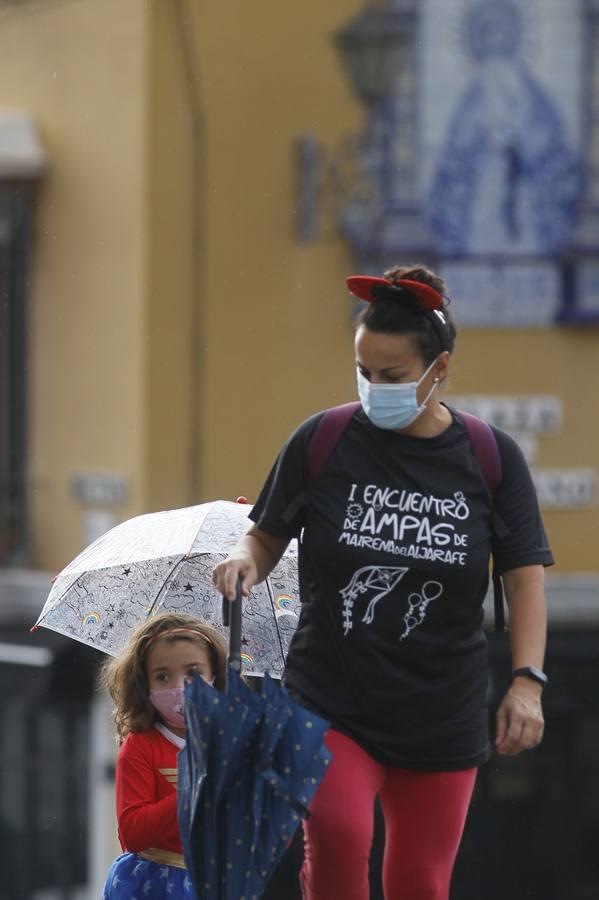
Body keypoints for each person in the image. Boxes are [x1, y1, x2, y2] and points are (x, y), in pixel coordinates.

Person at [212, 264, 552, 900]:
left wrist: (526, 684)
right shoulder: (324, 439)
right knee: (339, 839)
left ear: (439, 369)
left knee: (418, 883)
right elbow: (264, 533)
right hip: (329, 698)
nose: (374, 389)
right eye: (363, 372)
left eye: (392, 376)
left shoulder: (490, 457)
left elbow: (524, 580)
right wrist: (244, 559)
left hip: (441, 710)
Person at [100, 612, 228, 900]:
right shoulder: (141, 747)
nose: (179, 687)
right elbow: (132, 833)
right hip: (156, 882)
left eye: (193, 673)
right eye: (162, 676)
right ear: (145, 686)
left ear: (215, 677)